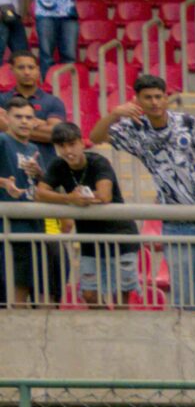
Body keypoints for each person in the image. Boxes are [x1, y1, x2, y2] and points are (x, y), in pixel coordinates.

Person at [92, 71, 195, 310]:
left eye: (158, 96)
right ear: (138, 100)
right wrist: (114, 114)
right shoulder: (134, 129)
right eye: (148, 97)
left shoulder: (187, 122)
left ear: (166, 97)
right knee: (185, 301)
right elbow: (95, 136)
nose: (154, 102)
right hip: (176, 223)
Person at [36, 122, 136, 306]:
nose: (68, 151)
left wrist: (82, 197)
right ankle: (105, 327)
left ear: (82, 143)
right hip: (89, 239)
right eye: (62, 146)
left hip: (120, 236)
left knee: (121, 297)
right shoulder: (58, 164)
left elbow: (104, 195)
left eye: (72, 144)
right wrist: (69, 199)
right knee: (89, 295)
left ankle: (120, 332)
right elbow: (40, 193)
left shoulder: (98, 162)